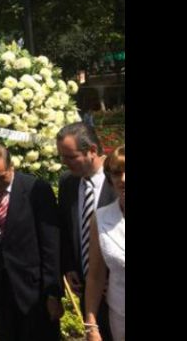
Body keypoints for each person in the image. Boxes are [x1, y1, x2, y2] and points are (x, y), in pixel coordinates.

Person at [0, 143, 63, 341]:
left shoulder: (36, 189)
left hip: (35, 289)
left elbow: (50, 244)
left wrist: (53, 293)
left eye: (1, 177)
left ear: (12, 166)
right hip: (0, 287)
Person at [56, 122, 117, 341]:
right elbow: (66, 227)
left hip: (118, 288)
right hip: (86, 291)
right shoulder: (68, 183)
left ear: (92, 150)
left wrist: (112, 275)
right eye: (62, 157)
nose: (65, 163)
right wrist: (70, 266)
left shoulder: (118, 180)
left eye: (71, 157)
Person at [84, 146, 125, 341]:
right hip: (120, 318)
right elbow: (95, 277)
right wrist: (91, 326)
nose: (123, 179)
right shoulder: (100, 218)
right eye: (117, 173)